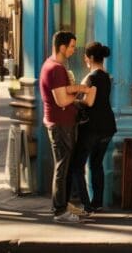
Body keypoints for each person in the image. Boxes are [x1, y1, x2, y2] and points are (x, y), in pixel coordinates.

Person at [41, 31, 94, 223]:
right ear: (62, 47)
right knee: (62, 167)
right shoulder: (56, 69)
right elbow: (62, 99)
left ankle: (62, 204)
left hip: (61, 122)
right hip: (61, 123)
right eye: (72, 46)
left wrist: (75, 89)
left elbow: (62, 94)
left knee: (64, 165)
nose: (73, 50)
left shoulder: (52, 65)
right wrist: (79, 93)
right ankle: (60, 210)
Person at [69, 42, 116, 214]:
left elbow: (89, 102)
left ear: (87, 59)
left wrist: (74, 101)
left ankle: (86, 204)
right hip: (108, 127)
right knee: (97, 164)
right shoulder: (106, 76)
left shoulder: (92, 78)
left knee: (77, 165)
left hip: (92, 127)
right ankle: (97, 202)